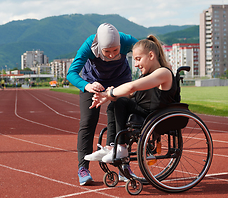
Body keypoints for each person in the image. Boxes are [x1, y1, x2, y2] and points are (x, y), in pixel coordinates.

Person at [67, 23, 138, 185]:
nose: (112, 55)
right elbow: (71, 73)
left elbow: (148, 49)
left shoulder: (127, 40)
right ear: (98, 46)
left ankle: (122, 165)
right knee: (88, 121)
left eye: (116, 50)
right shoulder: (88, 45)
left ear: (121, 45)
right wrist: (87, 86)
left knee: (122, 118)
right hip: (92, 83)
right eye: (107, 52)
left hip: (120, 81)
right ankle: (83, 168)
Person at [88, 35, 177, 163]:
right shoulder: (146, 75)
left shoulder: (163, 72)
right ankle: (110, 146)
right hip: (144, 111)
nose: (135, 65)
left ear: (151, 56)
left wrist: (110, 94)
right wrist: (108, 96)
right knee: (113, 105)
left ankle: (122, 147)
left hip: (155, 115)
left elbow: (131, 87)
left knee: (121, 102)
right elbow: (131, 94)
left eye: (138, 59)